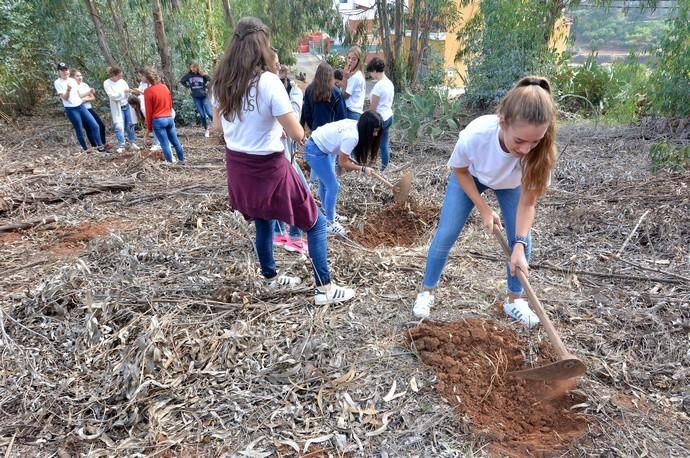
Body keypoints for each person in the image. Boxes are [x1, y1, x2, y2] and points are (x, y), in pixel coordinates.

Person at [212, 16, 355, 305]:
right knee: (315, 223)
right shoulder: (267, 82)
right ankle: (324, 290)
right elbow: (296, 132)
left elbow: (218, 129)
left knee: (264, 221)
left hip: (238, 167)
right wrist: (297, 102)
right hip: (269, 167)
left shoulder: (222, 82)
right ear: (261, 46)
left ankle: (270, 278)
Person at [412, 76, 558, 327]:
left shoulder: (541, 153)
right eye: (520, 141)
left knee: (521, 240)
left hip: (510, 185)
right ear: (503, 121)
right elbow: (459, 170)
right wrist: (483, 208)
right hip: (472, 176)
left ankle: (514, 300)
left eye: (534, 141)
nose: (526, 149)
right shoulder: (477, 135)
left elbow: (528, 204)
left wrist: (519, 247)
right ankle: (427, 291)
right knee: (446, 233)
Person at [303, 111, 383, 236]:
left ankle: (329, 213)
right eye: (374, 130)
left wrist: (355, 165)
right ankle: (330, 223)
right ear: (366, 128)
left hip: (324, 146)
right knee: (333, 186)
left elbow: (344, 153)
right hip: (315, 150)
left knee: (326, 184)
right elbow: (343, 163)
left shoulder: (356, 125)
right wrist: (362, 168)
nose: (376, 134)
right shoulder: (353, 137)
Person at [54, 63, 107, 153]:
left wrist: (89, 91)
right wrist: (68, 90)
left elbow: (79, 95)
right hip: (71, 109)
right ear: (58, 72)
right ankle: (86, 150)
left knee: (95, 125)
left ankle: (100, 147)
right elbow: (65, 98)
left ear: (68, 70)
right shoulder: (57, 82)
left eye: (65, 69)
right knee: (79, 130)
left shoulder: (72, 80)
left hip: (80, 106)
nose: (64, 72)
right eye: (62, 70)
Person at [142, 67, 185, 164]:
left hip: (158, 120)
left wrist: (149, 128)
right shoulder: (164, 87)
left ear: (147, 79)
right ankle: (182, 160)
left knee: (164, 143)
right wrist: (169, 114)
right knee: (175, 141)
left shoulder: (148, 91)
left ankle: (169, 162)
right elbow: (170, 103)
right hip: (169, 118)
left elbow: (149, 111)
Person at [301, 62, 347, 135]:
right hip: (332, 132)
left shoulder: (309, 90)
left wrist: (312, 125)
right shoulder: (336, 92)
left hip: (316, 130)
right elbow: (342, 116)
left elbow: (307, 112)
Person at [366, 58, 395, 172]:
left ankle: (369, 166)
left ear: (375, 71)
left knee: (373, 144)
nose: (370, 75)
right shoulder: (389, 83)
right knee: (384, 144)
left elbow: (373, 108)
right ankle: (384, 168)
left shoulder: (379, 86)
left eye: (371, 72)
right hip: (388, 116)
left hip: (379, 119)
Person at [69, 68, 107, 150]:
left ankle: (102, 144)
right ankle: (96, 147)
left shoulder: (84, 85)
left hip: (89, 108)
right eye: (77, 76)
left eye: (80, 75)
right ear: (72, 78)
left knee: (100, 126)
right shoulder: (73, 87)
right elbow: (76, 99)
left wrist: (85, 99)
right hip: (80, 110)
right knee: (89, 129)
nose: (80, 77)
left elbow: (92, 97)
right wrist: (84, 97)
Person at [103, 66, 139, 153]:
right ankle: (121, 144)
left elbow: (128, 92)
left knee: (130, 124)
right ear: (113, 75)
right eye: (119, 76)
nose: (120, 78)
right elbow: (112, 96)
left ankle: (132, 142)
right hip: (117, 107)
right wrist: (123, 92)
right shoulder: (107, 83)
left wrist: (131, 91)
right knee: (119, 126)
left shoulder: (122, 82)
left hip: (126, 105)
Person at [130, 68, 162, 152]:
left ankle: (159, 144)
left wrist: (145, 137)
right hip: (158, 112)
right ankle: (160, 142)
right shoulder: (142, 85)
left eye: (141, 76)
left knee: (155, 125)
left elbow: (149, 122)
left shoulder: (142, 105)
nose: (140, 78)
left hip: (157, 110)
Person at [180, 62, 213, 137]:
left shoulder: (202, 75)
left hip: (204, 96)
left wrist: (207, 86)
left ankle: (219, 126)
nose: (193, 69)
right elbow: (182, 81)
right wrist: (188, 87)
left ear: (197, 68)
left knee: (209, 113)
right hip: (195, 97)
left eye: (194, 67)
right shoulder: (189, 75)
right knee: (202, 115)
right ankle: (206, 129)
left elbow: (210, 80)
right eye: (191, 67)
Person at [342, 47, 366, 120]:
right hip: (353, 112)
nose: (350, 61)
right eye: (349, 58)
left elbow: (344, 95)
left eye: (354, 59)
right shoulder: (353, 74)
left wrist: (345, 77)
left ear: (358, 61)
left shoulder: (356, 77)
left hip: (352, 112)